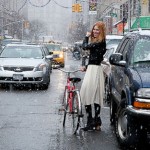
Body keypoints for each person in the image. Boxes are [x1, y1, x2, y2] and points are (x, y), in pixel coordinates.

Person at [80, 21, 106, 131]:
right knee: (91, 94)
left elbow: (85, 47)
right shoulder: (97, 42)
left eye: (97, 29)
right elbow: (92, 56)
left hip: (95, 69)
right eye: (94, 29)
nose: (95, 31)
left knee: (90, 93)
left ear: (101, 31)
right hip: (92, 68)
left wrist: (86, 37)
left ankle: (93, 121)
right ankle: (94, 121)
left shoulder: (100, 42)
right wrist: (86, 65)